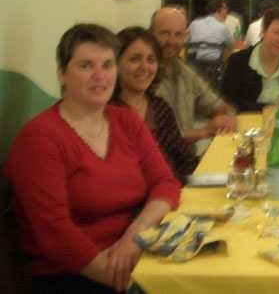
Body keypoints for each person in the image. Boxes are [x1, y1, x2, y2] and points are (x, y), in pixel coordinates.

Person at [5, 24, 180, 293]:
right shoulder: (39, 138)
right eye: (86, 66)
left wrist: (134, 237)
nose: (100, 76)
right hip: (72, 274)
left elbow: (166, 184)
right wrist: (126, 281)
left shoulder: (126, 121)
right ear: (62, 74)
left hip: (135, 253)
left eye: (107, 65)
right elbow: (54, 233)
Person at [112, 26, 199, 184]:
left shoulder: (159, 107)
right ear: (116, 63)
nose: (144, 67)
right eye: (135, 59)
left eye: (151, 60)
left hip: (172, 189)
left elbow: (184, 160)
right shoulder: (107, 113)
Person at [150, 6, 237, 141]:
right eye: (165, 33)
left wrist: (226, 116)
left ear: (186, 37)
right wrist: (204, 131)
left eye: (178, 34)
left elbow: (218, 105)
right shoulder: (143, 76)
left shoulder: (184, 71)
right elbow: (154, 137)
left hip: (185, 153)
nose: (172, 41)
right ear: (150, 34)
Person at [220, 8, 279, 111]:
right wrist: (271, 108)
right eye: (277, 32)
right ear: (263, 32)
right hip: (248, 119)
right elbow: (228, 102)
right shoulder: (238, 62)